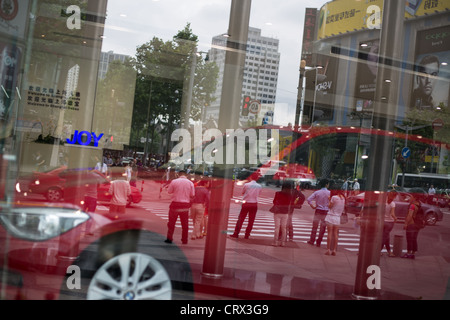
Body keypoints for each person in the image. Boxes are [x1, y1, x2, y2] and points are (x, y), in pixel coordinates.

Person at [165, 170, 195, 244]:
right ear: (186, 175)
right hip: (185, 205)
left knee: (171, 223)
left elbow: (169, 191)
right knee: (185, 224)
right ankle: (184, 239)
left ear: (178, 175)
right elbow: (192, 194)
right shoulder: (190, 183)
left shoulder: (174, 181)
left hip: (175, 204)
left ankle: (169, 238)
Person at [230, 174, 262, 239]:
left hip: (246, 203)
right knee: (251, 220)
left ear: (250, 177)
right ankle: (247, 235)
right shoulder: (259, 186)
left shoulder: (246, 185)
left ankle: (236, 233)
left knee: (241, 219)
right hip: (254, 204)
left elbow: (243, 192)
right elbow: (259, 194)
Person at [271, 180, 297, 246]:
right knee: (284, 228)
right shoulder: (290, 195)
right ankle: (283, 242)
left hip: (277, 212)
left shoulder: (278, 193)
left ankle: (275, 242)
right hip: (285, 213)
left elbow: (274, 201)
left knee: (277, 227)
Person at [307, 178, 330, 247]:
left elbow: (309, 199)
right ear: (326, 184)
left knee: (315, 226)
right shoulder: (330, 193)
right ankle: (319, 241)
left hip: (318, 210)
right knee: (323, 227)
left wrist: (312, 206)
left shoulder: (317, 192)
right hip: (325, 211)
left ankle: (312, 240)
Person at [324, 189, 346, 255]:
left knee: (329, 233)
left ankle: (328, 249)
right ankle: (334, 250)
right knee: (335, 234)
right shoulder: (343, 199)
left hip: (331, 216)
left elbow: (330, 206)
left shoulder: (334, 197)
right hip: (337, 217)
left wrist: (329, 200)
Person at [381, 191, 398, 257]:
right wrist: (395, 218)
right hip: (390, 222)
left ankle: (389, 252)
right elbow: (392, 214)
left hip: (383, 221)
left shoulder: (383, 202)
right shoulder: (392, 204)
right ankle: (379, 250)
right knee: (384, 237)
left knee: (386, 237)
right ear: (394, 196)